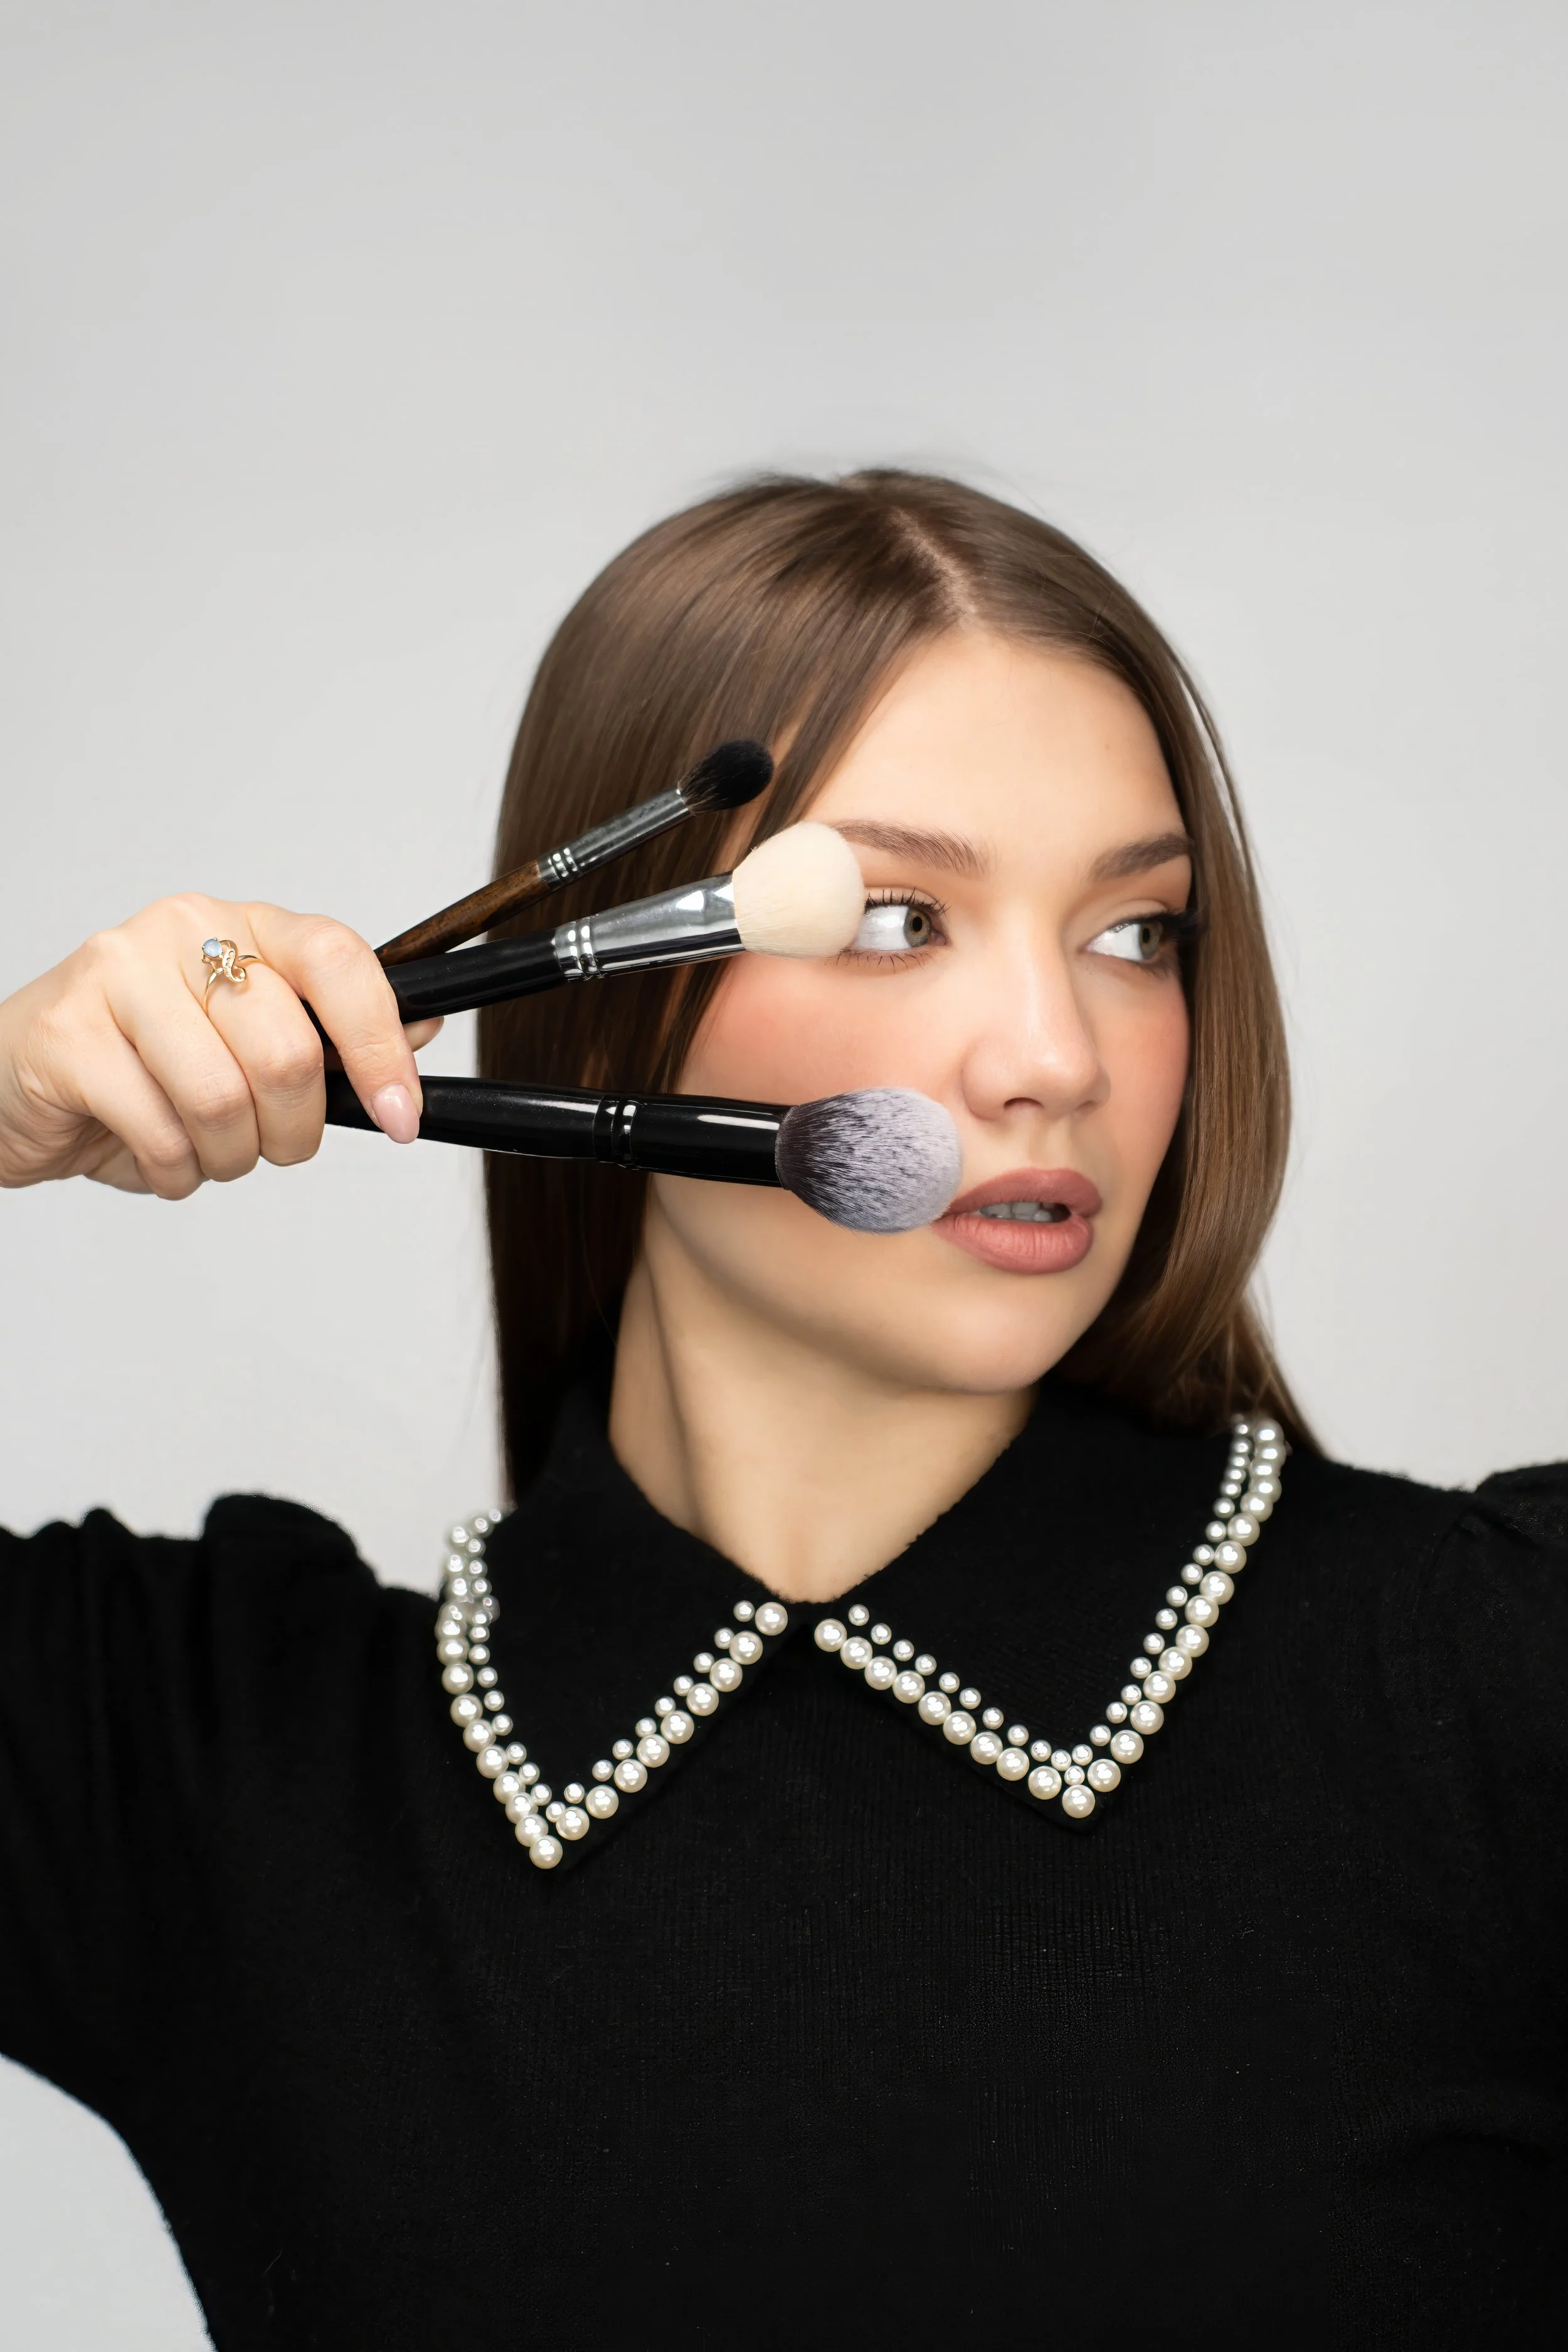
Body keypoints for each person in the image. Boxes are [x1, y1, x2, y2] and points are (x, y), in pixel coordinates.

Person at [0, 472, 1560, 2349]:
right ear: (613, 1007)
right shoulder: (201, 1767)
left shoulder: (1492, 1677)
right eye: (901, 918)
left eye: (1137, 934)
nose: (1053, 1058)